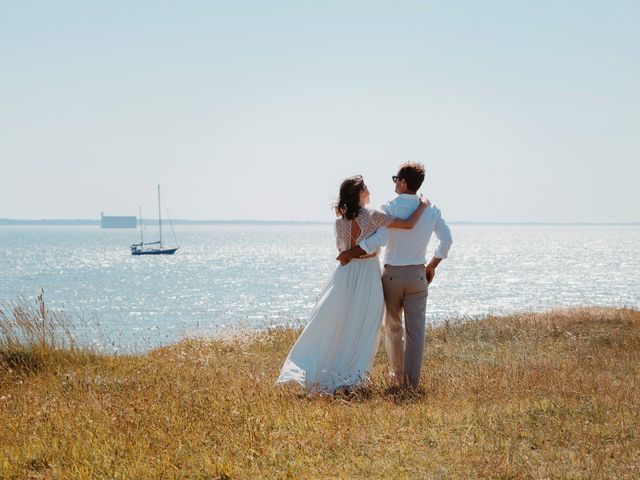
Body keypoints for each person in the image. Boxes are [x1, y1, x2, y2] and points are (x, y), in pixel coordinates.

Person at [276, 175, 429, 394]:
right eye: (366, 188)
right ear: (359, 193)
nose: (369, 191)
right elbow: (408, 224)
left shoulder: (339, 223)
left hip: (346, 274)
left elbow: (342, 252)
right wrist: (422, 206)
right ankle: (354, 374)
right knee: (366, 324)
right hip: (368, 273)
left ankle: (335, 370)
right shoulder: (374, 216)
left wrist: (352, 249)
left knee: (342, 322)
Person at [337, 162, 452, 390]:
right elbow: (447, 240)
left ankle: (397, 375)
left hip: (391, 276)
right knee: (416, 332)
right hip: (418, 274)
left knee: (392, 327)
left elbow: (378, 239)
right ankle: (411, 383)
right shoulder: (431, 209)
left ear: (402, 182)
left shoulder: (388, 207)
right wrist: (432, 265)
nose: (394, 183)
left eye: (395, 179)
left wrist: (350, 252)